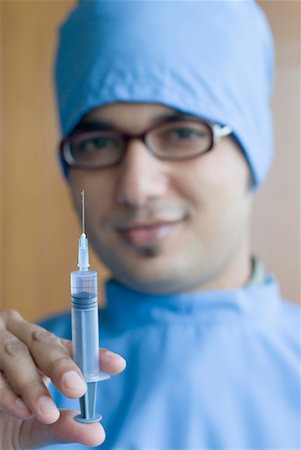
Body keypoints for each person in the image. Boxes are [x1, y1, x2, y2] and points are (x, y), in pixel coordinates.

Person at [0, 1, 299, 449]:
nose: (137, 188)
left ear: (253, 148)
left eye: (181, 133)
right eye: (98, 141)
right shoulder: (25, 394)